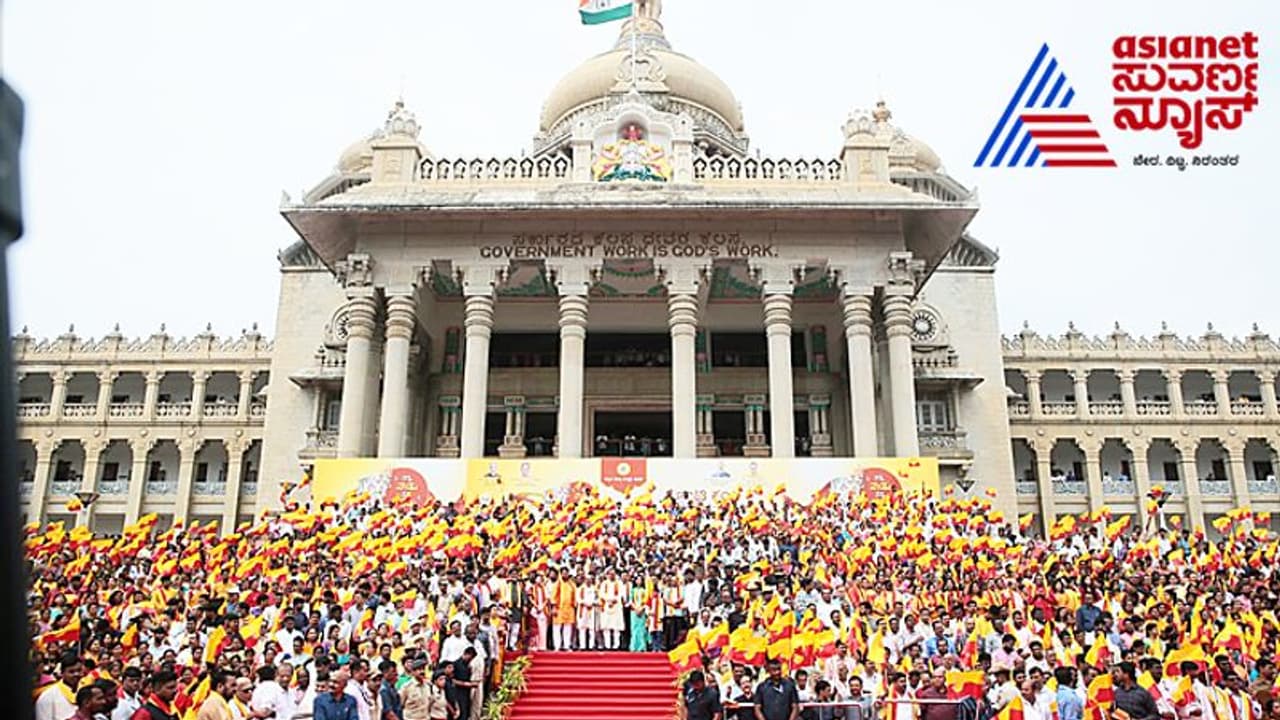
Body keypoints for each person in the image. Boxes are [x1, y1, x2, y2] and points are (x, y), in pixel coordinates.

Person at [36, 651, 84, 720]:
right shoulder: (48, 696)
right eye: (71, 672)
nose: (76, 674)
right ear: (62, 673)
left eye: (79, 670)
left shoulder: (87, 692)